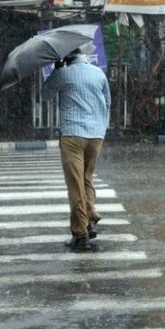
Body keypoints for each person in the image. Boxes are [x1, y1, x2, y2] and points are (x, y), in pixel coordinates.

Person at [42, 43, 111, 251]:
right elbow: (108, 102)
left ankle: (80, 233)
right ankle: (89, 219)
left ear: (66, 58)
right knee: (86, 179)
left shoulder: (63, 73)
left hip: (73, 135)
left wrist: (56, 69)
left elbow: (45, 94)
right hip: (96, 135)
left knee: (75, 184)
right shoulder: (99, 73)